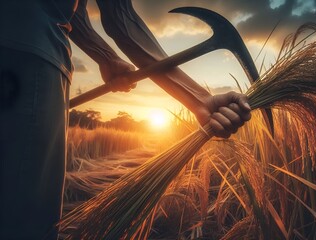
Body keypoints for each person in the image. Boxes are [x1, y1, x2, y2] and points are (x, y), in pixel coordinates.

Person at [0, 0, 251, 239]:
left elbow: (72, 11)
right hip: (29, 55)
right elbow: (120, 16)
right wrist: (200, 99)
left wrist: (106, 57)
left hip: (20, 50)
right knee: (24, 223)